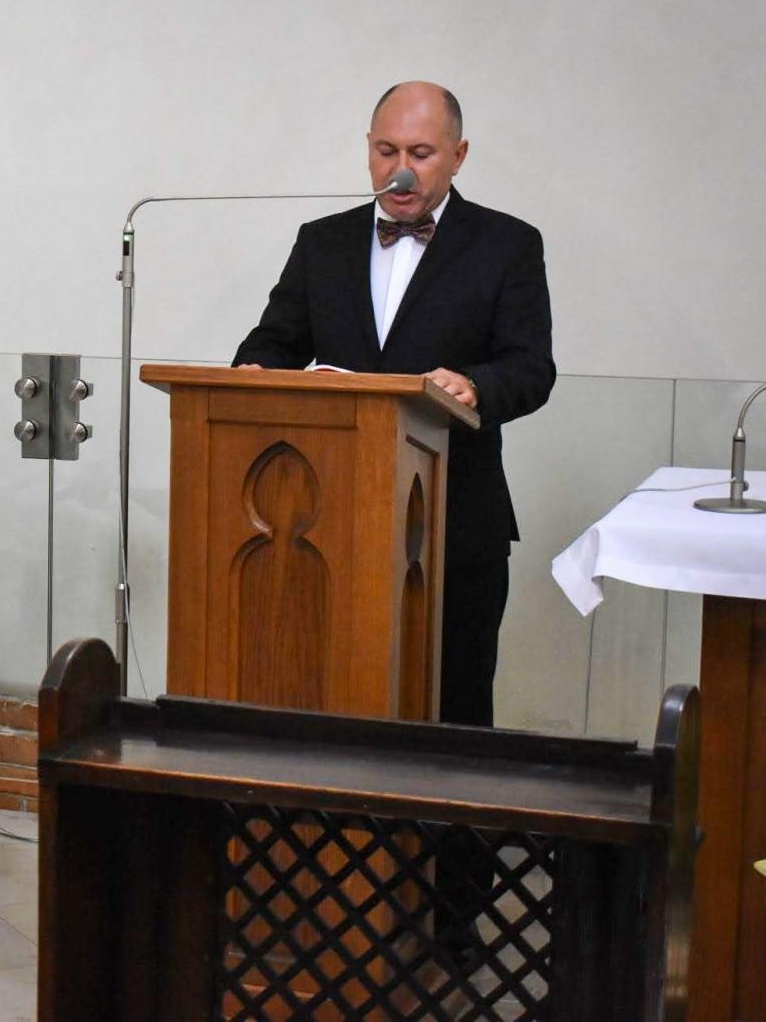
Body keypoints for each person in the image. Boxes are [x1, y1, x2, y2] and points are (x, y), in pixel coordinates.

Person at [233, 81, 555, 960]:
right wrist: (266, 380)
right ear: (367, 149)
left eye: (419, 153)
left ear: (457, 155)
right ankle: (318, 904)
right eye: (386, 152)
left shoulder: (506, 245)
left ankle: (451, 923)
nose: (400, 171)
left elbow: (533, 369)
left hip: (456, 529)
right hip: (324, 536)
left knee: (452, 724)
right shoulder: (322, 241)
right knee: (328, 712)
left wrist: (474, 387)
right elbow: (266, 348)